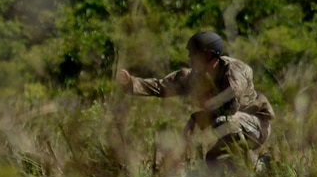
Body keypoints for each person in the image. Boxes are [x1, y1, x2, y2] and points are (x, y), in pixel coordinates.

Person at [116, 30, 275, 162]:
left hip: (256, 125)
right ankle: (260, 167)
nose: (190, 58)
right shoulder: (194, 77)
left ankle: (254, 164)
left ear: (208, 55)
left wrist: (197, 118)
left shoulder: (234, 71)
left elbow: (230, 104)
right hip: (232, 126)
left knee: (223, 122)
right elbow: (161, 87)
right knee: (213, 160)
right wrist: (130, 83)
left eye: (194, 53)